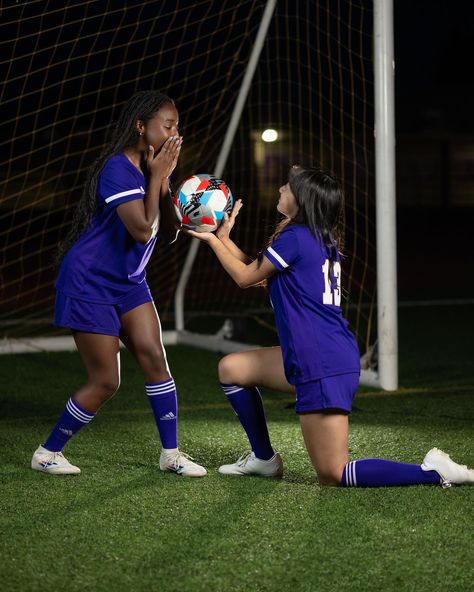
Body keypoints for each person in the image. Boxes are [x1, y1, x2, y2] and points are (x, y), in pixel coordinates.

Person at [186, 165, 474, 487]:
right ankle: (264, 459)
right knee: (232, 368)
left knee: (332, 473)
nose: (281, 189)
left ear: (302, 201)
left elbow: (243, 278)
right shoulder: (312, 237)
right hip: (314, 353)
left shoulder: (295, 238)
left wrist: (212, 241)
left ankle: (432, 472)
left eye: (287, 187)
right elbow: (256, 273)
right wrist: (224, 238)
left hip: (321, 362)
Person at [31, 90, 207, 477]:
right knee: (107, 380)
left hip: (129, 283)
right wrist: (159, 175)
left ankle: (171, 454)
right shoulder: (118, 168)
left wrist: (197, 208)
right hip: (89, 282)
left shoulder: (153, 167)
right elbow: (143, 231)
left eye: (177, 124)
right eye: (168, 125)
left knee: (155, 358)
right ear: (141, 126)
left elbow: (170, 229)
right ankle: (48, 452)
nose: (176, 132)